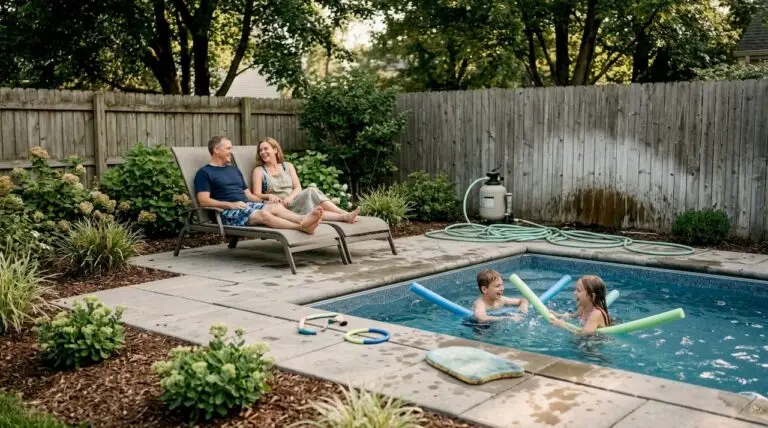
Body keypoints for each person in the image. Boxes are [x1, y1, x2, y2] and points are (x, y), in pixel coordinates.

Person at [194, 136, 323, 234]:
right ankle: (302, 227)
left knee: (275, 207)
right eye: (228, 148)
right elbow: (204, 201)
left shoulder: (233, 170)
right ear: (216, 150)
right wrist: (230, 205)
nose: (231, 152)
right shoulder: (204, 173)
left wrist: (266, 199)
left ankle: (303, 219)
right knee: (264, 214)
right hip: (226, 212)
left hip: (245, 206)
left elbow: (248, 194)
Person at [251, 137, 360, 223]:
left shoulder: (287, 166)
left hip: (294, 199)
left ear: (275, 150)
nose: (262, 152)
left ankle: (345, 216)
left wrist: (290, 197)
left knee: (314, 203)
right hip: (280, 207)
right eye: (260, 150)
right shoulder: (259, 171)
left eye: (266, 149)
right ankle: (345, 214)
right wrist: (268, 196)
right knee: (311, 192)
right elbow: (256, 194)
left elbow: (297, 187)